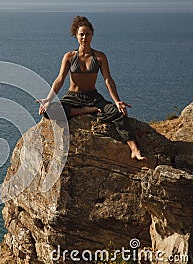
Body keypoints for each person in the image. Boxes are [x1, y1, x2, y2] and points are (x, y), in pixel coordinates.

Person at [36, 16, 146, 160]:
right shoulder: (69, 56)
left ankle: (134, 149)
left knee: (119, 113)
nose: (84, 37)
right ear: (76, 35)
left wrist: (117, 101)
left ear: (92, 35)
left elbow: (108, 80)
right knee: (49, 111)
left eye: (87, 34)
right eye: (81, 34)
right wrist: (48, 99)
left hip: (93, 97)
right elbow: (60, 79)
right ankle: (87, 111)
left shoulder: (100, 57)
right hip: (72, 97)